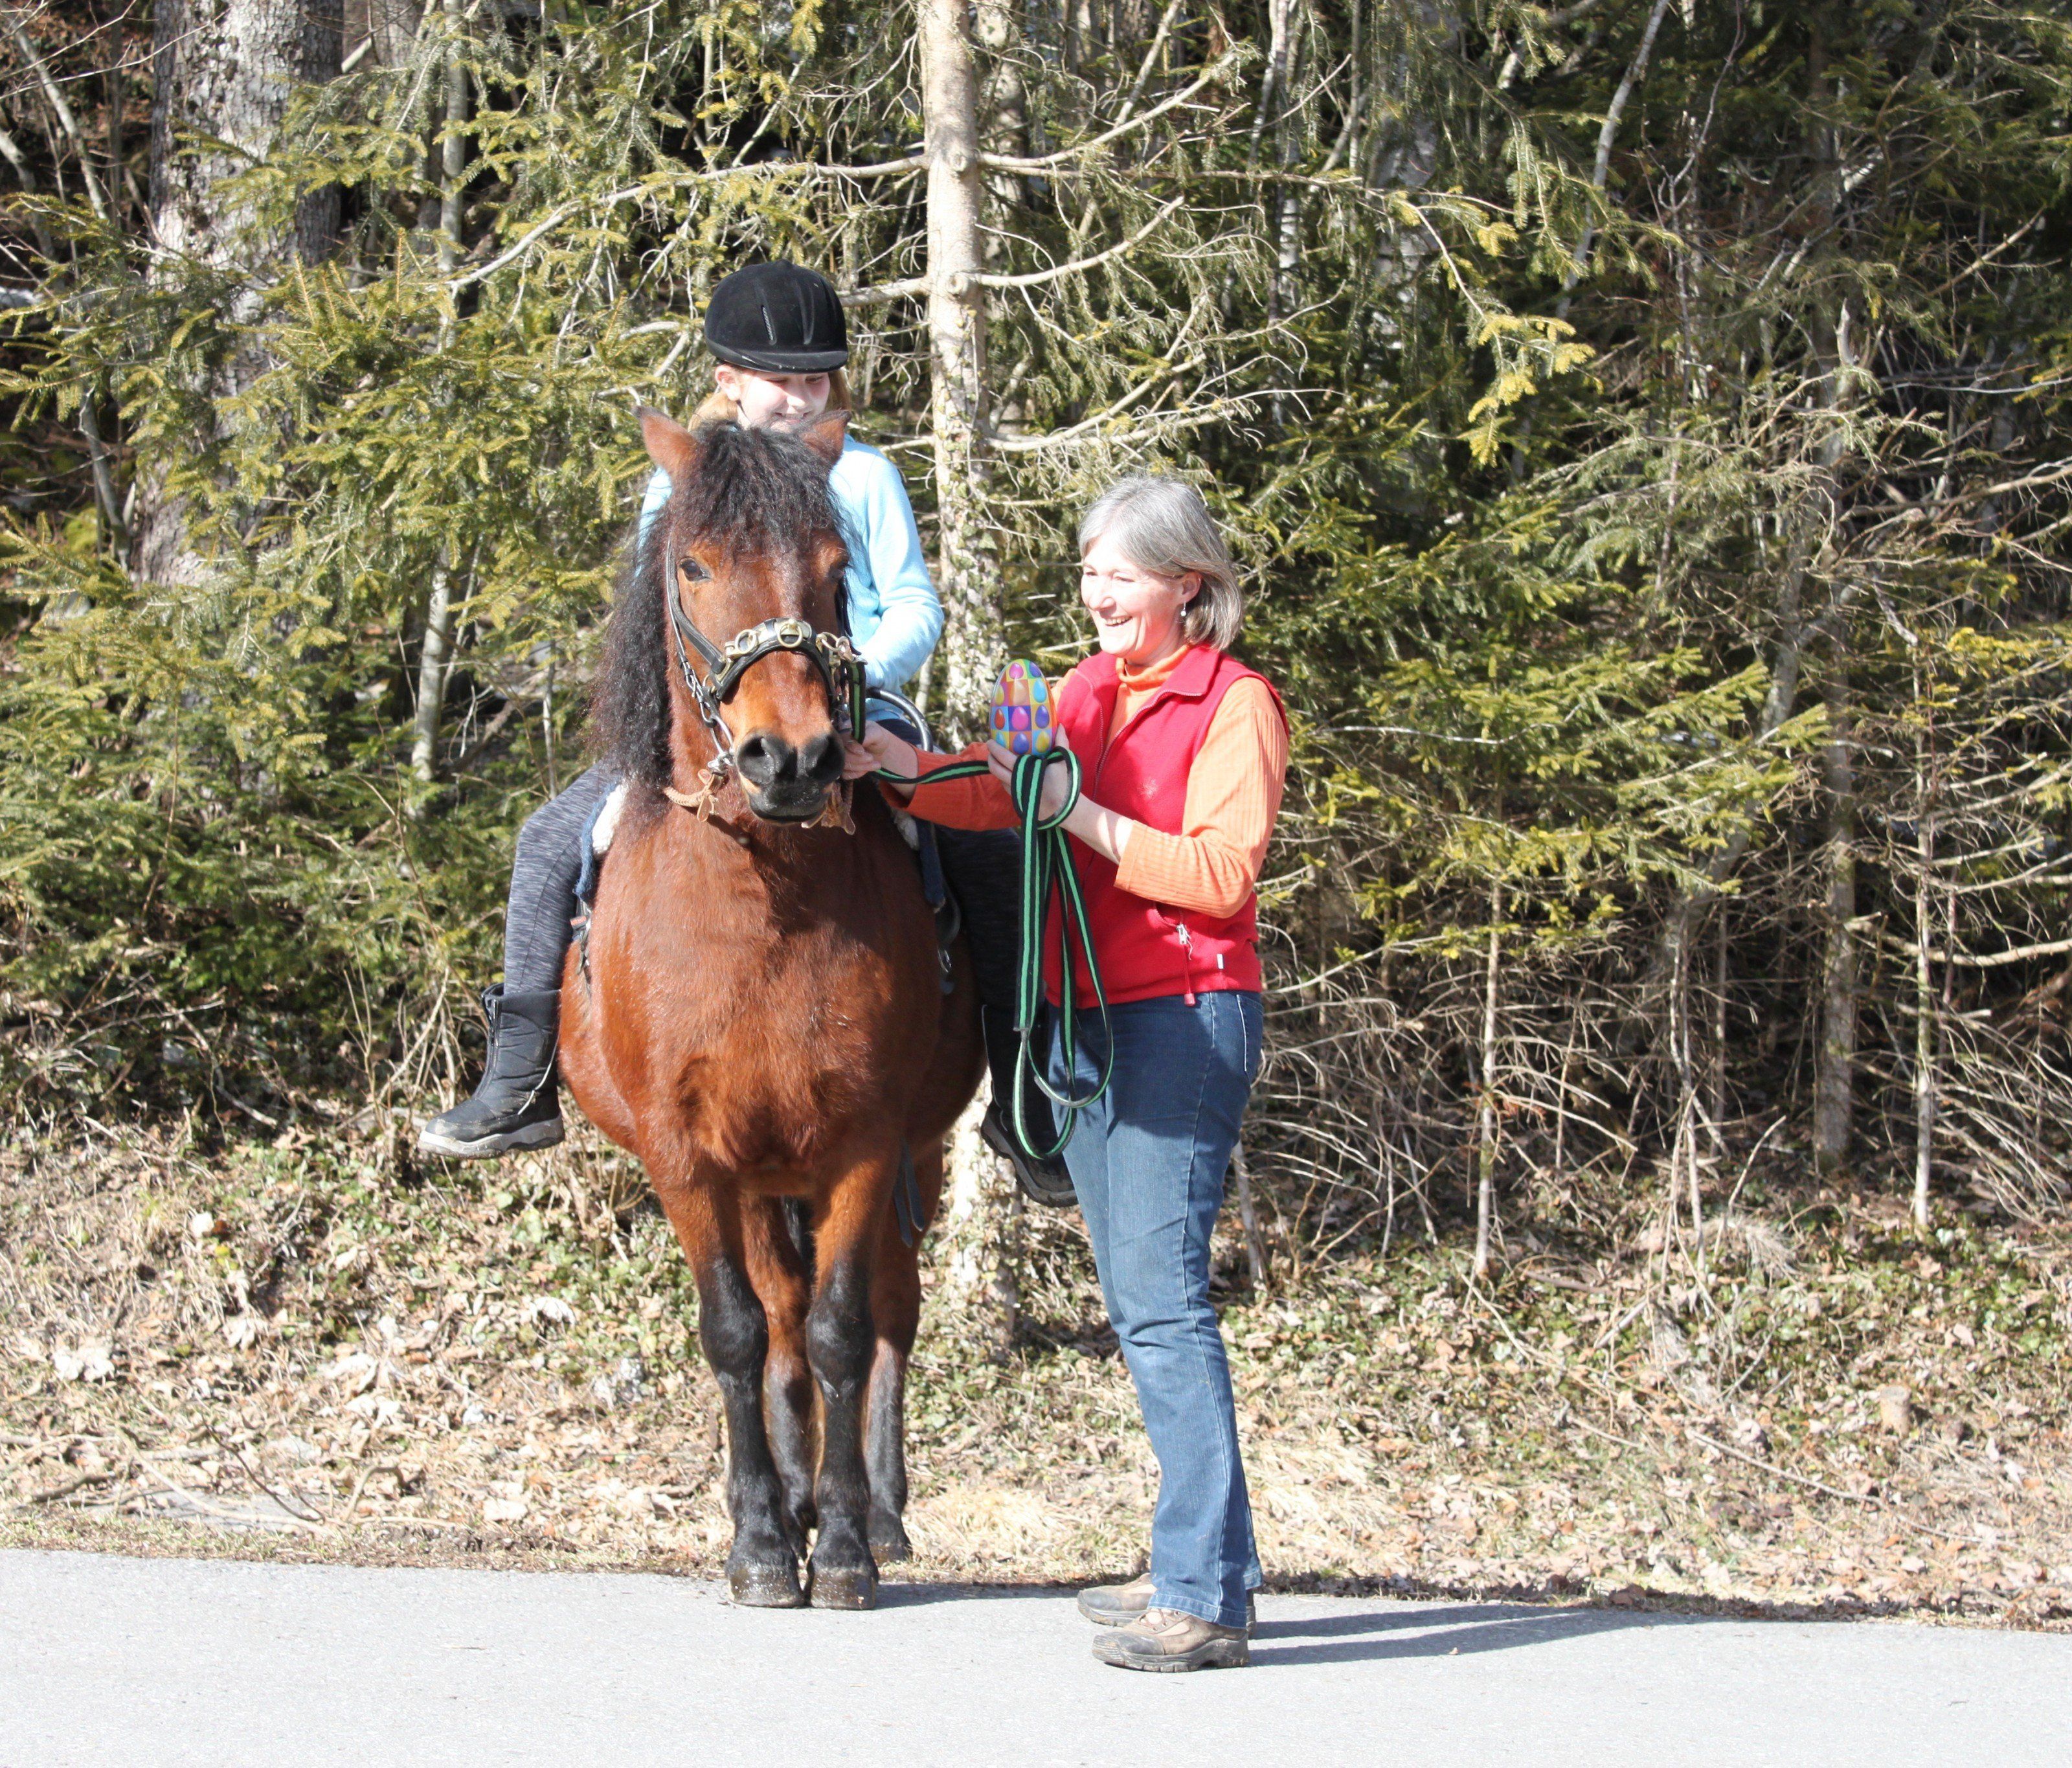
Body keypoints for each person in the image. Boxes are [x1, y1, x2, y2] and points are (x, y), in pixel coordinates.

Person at [418, 261, 1062, 1194]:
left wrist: (850, 673)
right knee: (551, 835)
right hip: (714, 724)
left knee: (986, 847)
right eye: (781, 381)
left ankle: (1023, 1096)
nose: (802, 399)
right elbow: (656, 618)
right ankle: (518, 1077)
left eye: (817, 381)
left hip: (851, 709)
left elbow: (914, 603)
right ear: (729, 382)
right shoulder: (684, 482)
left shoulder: (863, 470)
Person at [847, 474, 1289, 1672]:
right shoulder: (1087, 689)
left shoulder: (1234, 704)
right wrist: (889, 764)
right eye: (1090, 568)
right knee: (1146, 1303)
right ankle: (1207, 1562)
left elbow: (1218, 878)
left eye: (1124, 573)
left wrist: (1080, 815)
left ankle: (1200, 1599)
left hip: (1183, 1022)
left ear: (1187, 586)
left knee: (1161, 1307)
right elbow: (1001, 797)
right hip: (1089, 1021)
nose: (1098, 591)